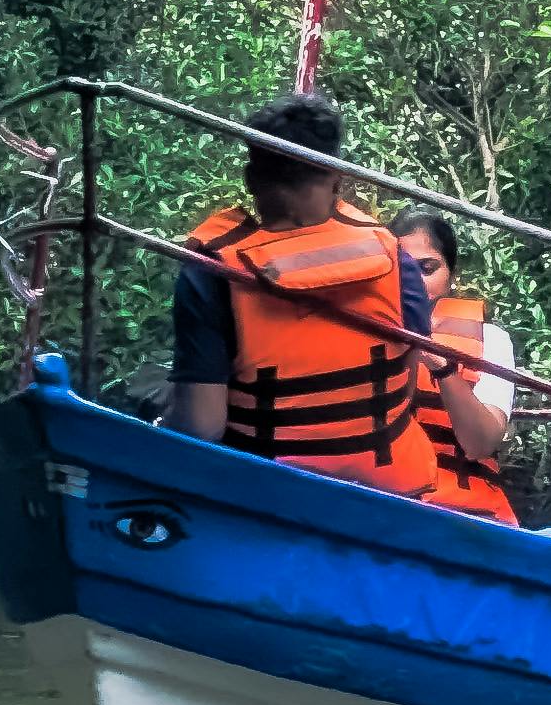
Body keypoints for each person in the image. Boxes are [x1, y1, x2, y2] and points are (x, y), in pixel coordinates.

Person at [166, 92, 442, 498]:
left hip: (267, 495)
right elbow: (409, 367)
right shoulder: (395, 257)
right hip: (389, 494)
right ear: (338, 178)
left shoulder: (213, 272)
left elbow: (201, 427)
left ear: (251, 179)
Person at [393, 207, 523, 523]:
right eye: (403, 269)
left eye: (427, 268)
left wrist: (441, 366)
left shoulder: (491, 340)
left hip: (462, 514)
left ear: (452, 276)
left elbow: (480, 444)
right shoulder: (361, 330)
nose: (415, 281)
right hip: (383, 501)